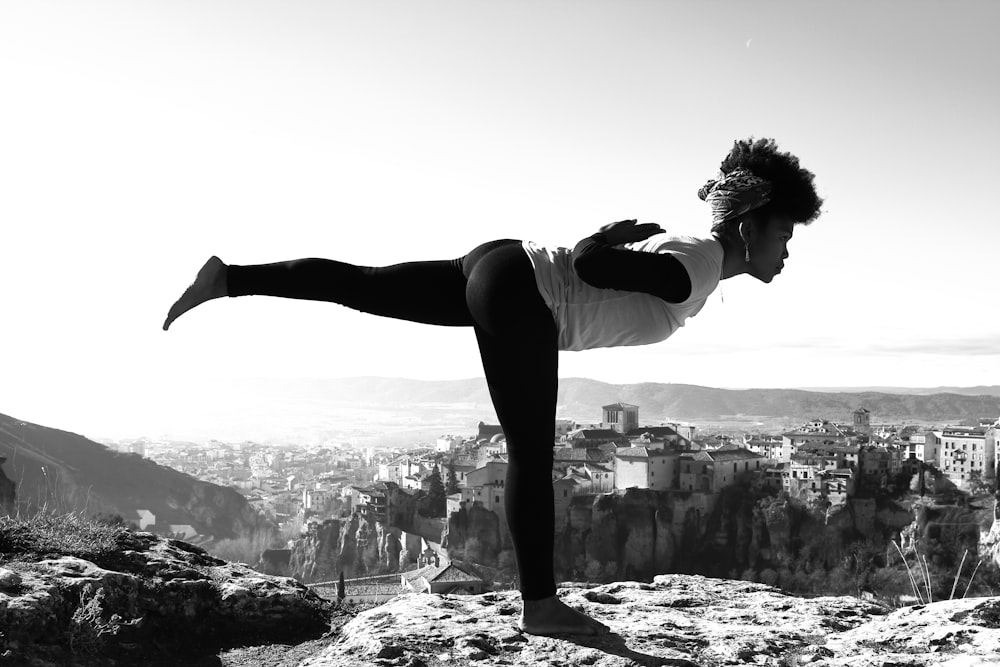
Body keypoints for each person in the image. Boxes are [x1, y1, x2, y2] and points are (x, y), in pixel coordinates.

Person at [163, 137, 822, 636]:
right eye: (785, 233)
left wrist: (603, 246)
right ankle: (541, 606)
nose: (788, 251)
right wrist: (608, 235)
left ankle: (229, 277)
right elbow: (591, 261)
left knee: (363, 283)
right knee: (531, 453)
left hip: (504, 263)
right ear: (750, 226)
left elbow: (595, 268)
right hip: (525, 292)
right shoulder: (697, 269)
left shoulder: (693, 254)